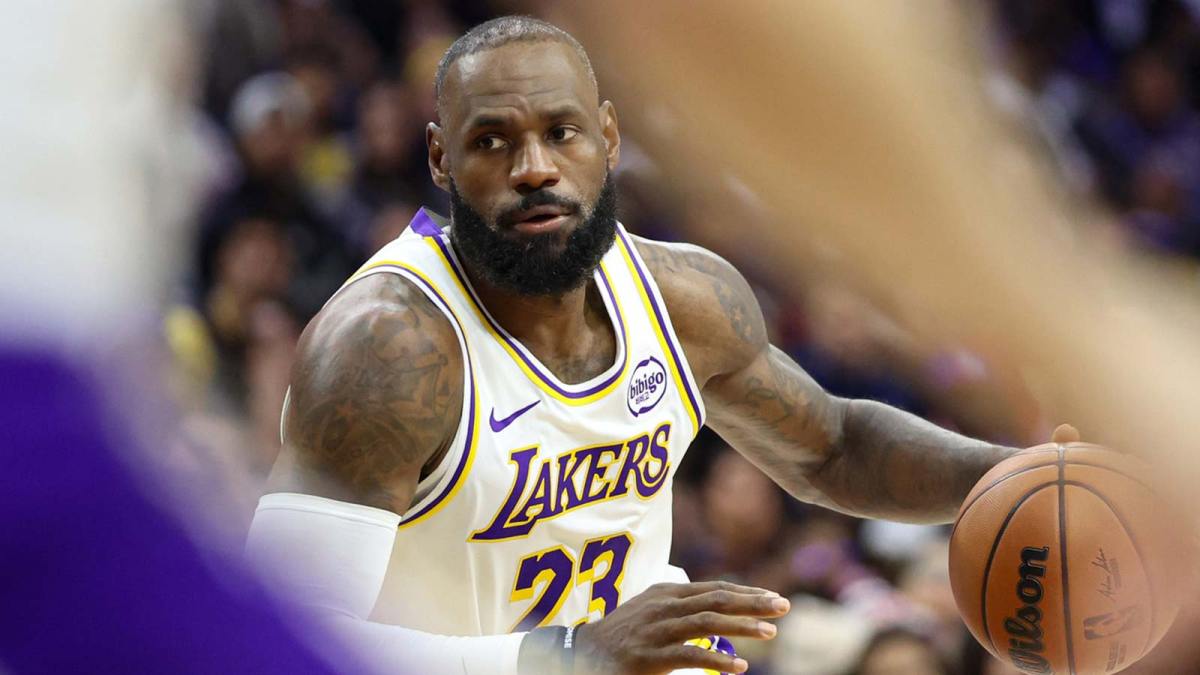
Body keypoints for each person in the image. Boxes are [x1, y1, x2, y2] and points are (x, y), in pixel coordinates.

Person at [245, 16, 1022, 675]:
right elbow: (269, 643)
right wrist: (564, 656)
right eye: (491, 141)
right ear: (441, 157)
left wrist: (1017, 477)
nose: (534, 168)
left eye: (561, 132)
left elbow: (835, 448)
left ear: (608, 137)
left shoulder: (684, 300)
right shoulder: (385, 349)